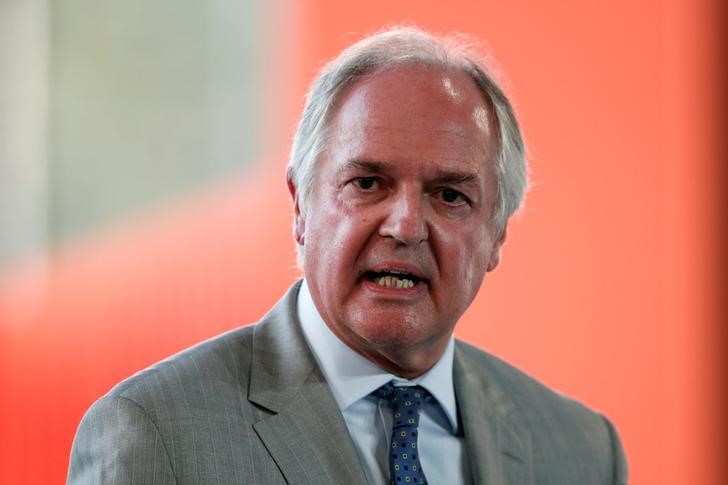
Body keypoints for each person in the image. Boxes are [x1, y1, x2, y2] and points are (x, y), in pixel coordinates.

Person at [68, 27, 628, 484]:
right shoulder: (154, 434)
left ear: (497, 235)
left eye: (450, 195)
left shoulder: (581, 452)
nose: (406, 225)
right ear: (301, 208)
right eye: (367, 183)